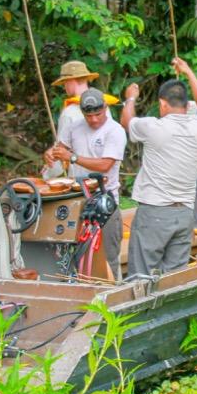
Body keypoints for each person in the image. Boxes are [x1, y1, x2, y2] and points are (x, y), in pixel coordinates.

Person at [120, 58, 197, 277]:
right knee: (175, 278)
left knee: (140, 277)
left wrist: (130, 98)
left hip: (155, 212)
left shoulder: (153, 127)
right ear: (186, 104)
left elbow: (126, 121)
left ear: (163, 104)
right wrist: (188, 70)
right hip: (184, 214)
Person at [42, 88, 127, 279]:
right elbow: (60, 148)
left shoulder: (115, 131)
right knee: (73, 253)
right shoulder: (74, 126)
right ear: (82, 112)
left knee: (108, 255)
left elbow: (106, 164)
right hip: (77, 198)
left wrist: (72, 157)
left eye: (98, 114)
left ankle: (114, 293)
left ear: (105, 108)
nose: (94, 120)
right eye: (89, 116)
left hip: (104, 199)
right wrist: (51, 153)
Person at [45, 60, 104, 177]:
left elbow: (60, 153)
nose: (64, 87)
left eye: (65, 82)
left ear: (71, 81)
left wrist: (47, 175)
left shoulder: (70, 113)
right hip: (105, 176)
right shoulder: (103, 106)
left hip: (80, 178)